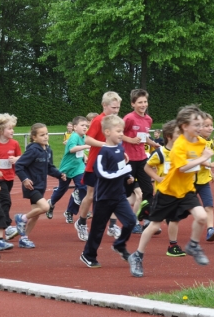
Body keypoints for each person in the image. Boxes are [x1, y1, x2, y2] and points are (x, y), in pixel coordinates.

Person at [128, 105, 214, 277]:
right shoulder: (179, 146)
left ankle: (193, 245)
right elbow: (183, 167)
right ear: (185, 127)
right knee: (154, 226)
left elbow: (198, 156)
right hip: (168, 192)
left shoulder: (200, 142)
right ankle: (137, 255)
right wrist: (204, 158)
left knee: (202, 216)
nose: (201, 128)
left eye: (202, 125)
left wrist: (208, 164)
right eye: (196, 125)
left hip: (187, 191)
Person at [80, 115, 135, 267]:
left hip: (119, 196)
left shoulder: (120, 148)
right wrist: (123, 172)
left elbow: (120, 168)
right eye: (118, 131)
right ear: (107, 132)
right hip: (103, 197)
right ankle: (88, 255)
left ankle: (119, 244)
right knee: (98, 228)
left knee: (131, 221)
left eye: (122, 131)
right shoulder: (103, 152)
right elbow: (102, 173)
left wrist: (127, 175)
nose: (121, 134)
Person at [74, 92, 122, 241]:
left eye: (118, 107)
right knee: (91, 195)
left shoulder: (117, 122)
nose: (116, 110)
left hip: (112, 164)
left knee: (115, 195)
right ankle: (81, 222)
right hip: (95, 165)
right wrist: (105, 145)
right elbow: (88, 139)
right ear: (104, 106)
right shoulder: (98, 120)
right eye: (113, 107)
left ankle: (112, 225)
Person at [13, 123, 66, 248]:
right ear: (34, 137)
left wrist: (60, 175)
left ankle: (24, 238)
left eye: (46, 134)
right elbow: (19, 165)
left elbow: (50, 167)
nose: (46, 137)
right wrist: (25, 179)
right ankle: (22, 218)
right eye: (42, 135)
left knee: (36, 214)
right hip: (31, 186)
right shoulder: (32, 150)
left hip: (41, 185)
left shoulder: (48, 150)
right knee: (45, 207)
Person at [144, 120, 185, 256]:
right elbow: (147, 167)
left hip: (176, 192)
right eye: (178, 133)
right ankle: (139, 252)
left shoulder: (181, 151)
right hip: (162, 193)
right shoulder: (160, 153)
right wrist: (157, 178)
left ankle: (173, 245)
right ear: (169, 136)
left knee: (174, 219)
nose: (181, 135)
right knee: (155, 225)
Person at [122, 89, 159, 231]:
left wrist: (153, 143)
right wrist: (130, 139)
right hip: (128, 160)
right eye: (140, 102)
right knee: (126, 192)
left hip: (142, 158)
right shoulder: (129, 118)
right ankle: (128, 221)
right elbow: (119, 134)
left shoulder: (148, 119)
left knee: (148, 190)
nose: (143, 105)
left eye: (145, 102)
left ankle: (148, 220)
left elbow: (144, 137)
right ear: (133, 104)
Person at [47, 116, 89, 227]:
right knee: (62, 189)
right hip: (67, 168)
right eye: (82, 125)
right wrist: (86, 146)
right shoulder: (74, 136)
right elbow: (72, 149)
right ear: (75, 127)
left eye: (86, 125)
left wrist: (84, 156)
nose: (85, 127)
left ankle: (71, 209)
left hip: (78, 168)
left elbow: (79, 151)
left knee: (83, 186)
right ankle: (51, 203)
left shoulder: (84, 136)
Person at [0, 113, 21, 240]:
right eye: (10, 128)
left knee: (2, 203)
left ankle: (4, 224)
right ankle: (7, 226)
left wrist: (16, 159)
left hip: (10, 177)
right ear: (1, 130)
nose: (12, 131)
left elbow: (21, 156)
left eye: (13, 128)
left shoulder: (14, 144)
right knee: (6, 201)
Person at [196, 113, 214, 242]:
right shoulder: (194, 142)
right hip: (190, 181)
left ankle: (210, 230)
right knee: (180, 209)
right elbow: (197, 159)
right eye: (206, 126)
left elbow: (207, 158)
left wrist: (210, 171)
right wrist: (209, 164)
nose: (209, 128)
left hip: (203, 180)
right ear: (198, 127)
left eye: (211, 125)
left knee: (209, 206)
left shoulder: (212, 143)